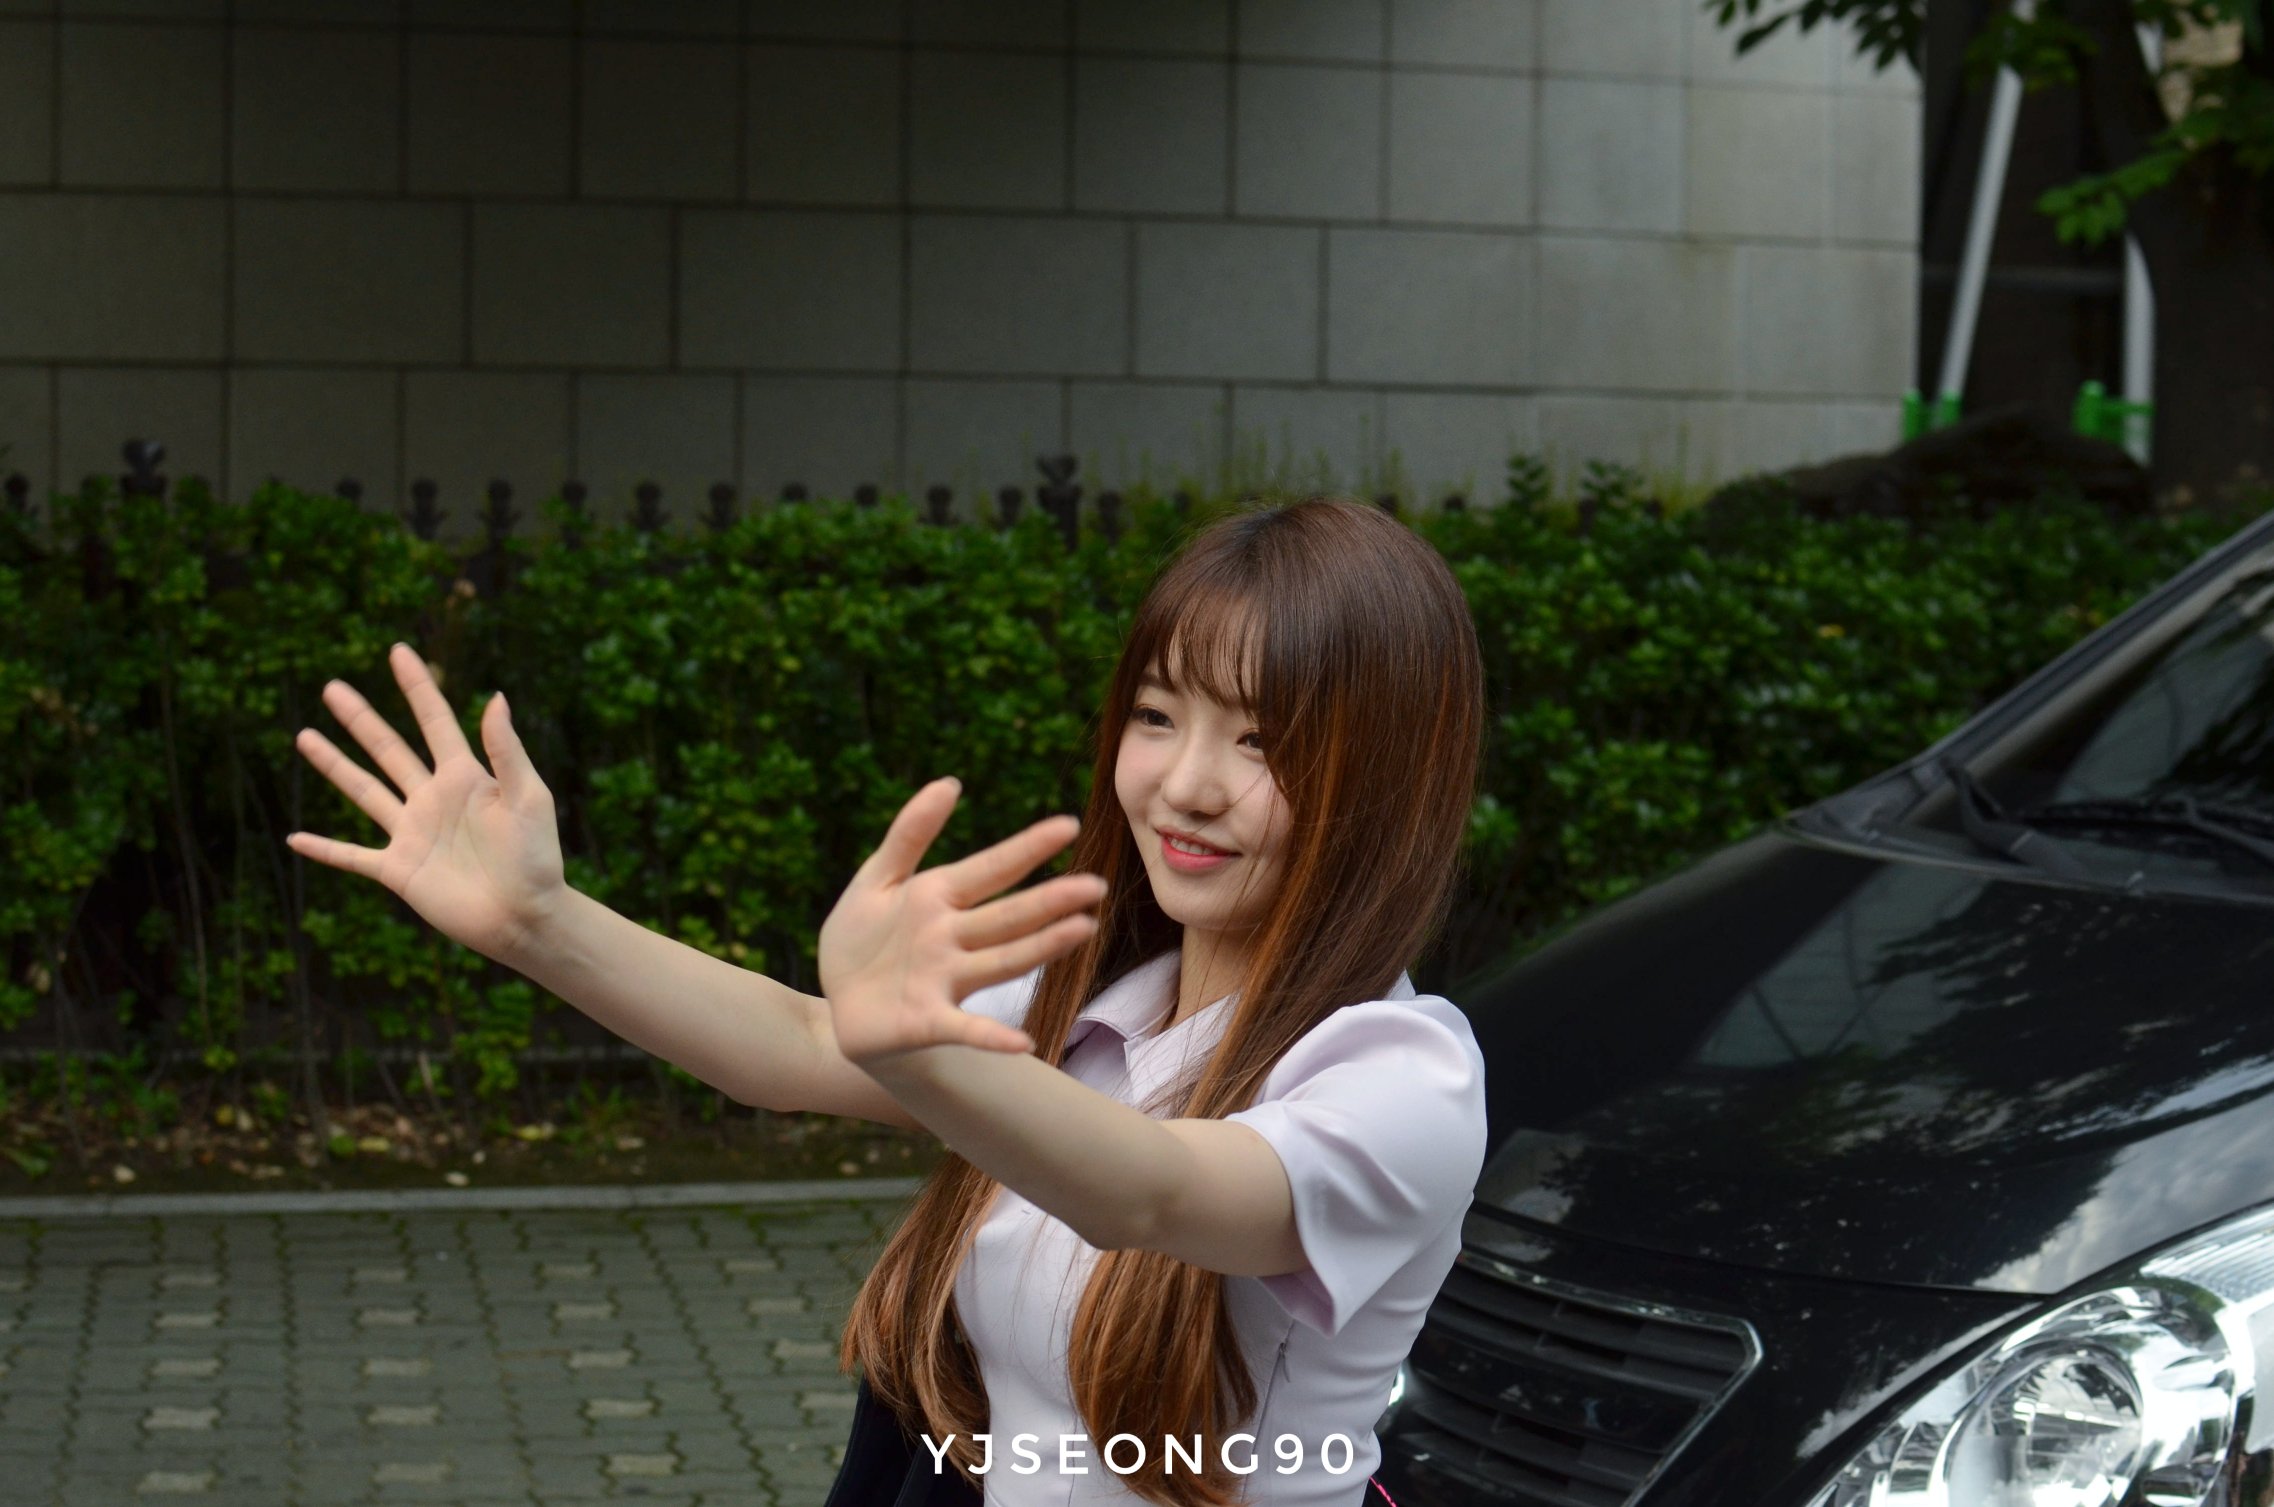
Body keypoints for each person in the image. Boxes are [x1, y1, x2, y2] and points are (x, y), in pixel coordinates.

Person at [284, 495, 1488, 1506]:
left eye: (1262, 742)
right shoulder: (1097, 994)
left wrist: (916, 1050)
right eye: (1158, 715)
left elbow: (1154, 1191)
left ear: (1384, 779)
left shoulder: (1401, 1077)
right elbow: (799, 1040)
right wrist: (537, 923)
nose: (1185, 783)